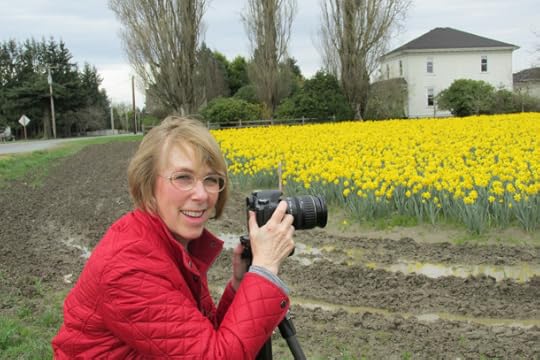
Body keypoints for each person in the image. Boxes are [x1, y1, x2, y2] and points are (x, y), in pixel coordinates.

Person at [52, 116, 295, 358]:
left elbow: (203, 338)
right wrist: (265, 268)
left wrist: (241, 285)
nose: (201, 194)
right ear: (148, 186)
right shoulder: (129, 269)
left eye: (211, 179)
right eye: (183, 178)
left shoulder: (168, 244)